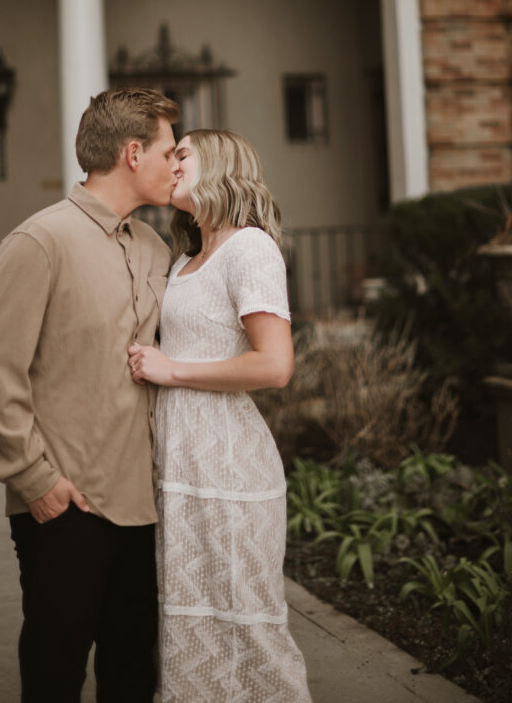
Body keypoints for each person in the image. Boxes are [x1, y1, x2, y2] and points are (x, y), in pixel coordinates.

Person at [0, 87, 179, 703]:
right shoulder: (40, 242)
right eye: (169, 150)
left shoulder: (154, 248)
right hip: (66, 507)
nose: (176, 164)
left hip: (141, 506)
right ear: (133, 153)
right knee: (56, 673)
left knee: (133, 674)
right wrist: (34, 479)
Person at [128, 129, 312, 702]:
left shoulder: (250, 248)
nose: (172, 162)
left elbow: (275, 365)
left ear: (220, 165)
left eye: (182, 152)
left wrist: (172, 370)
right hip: (181, 461)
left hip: (230, 463)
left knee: (246, 622)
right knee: (189, 619)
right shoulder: (186, 257)